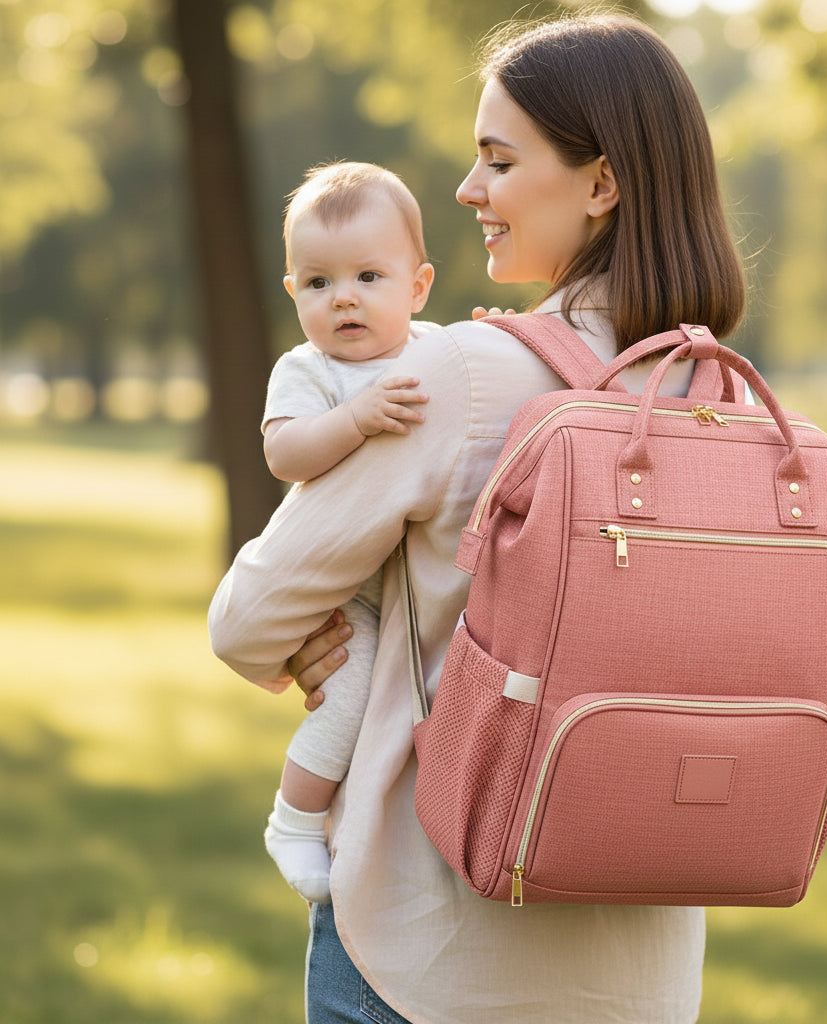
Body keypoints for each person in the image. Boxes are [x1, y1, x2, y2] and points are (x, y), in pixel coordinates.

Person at [209, 10, 744, 1024]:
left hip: (433, 952)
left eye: (496, 160)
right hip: (642, 972)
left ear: (601, 183)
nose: (467, 191)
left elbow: (245, 621)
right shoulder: (716, 395)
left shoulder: (458, 371)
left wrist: (328, 643)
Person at [260, 161, 436, 903]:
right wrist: (354, 419)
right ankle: (295, 819)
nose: (346, 300)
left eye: (369, 276)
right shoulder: (310, 371)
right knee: (351, 697)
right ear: (295, 292)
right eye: (321, 283)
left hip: (416, 578)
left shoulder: (434, 350)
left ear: (418, 287)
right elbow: (284, 451)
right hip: (347, 586)